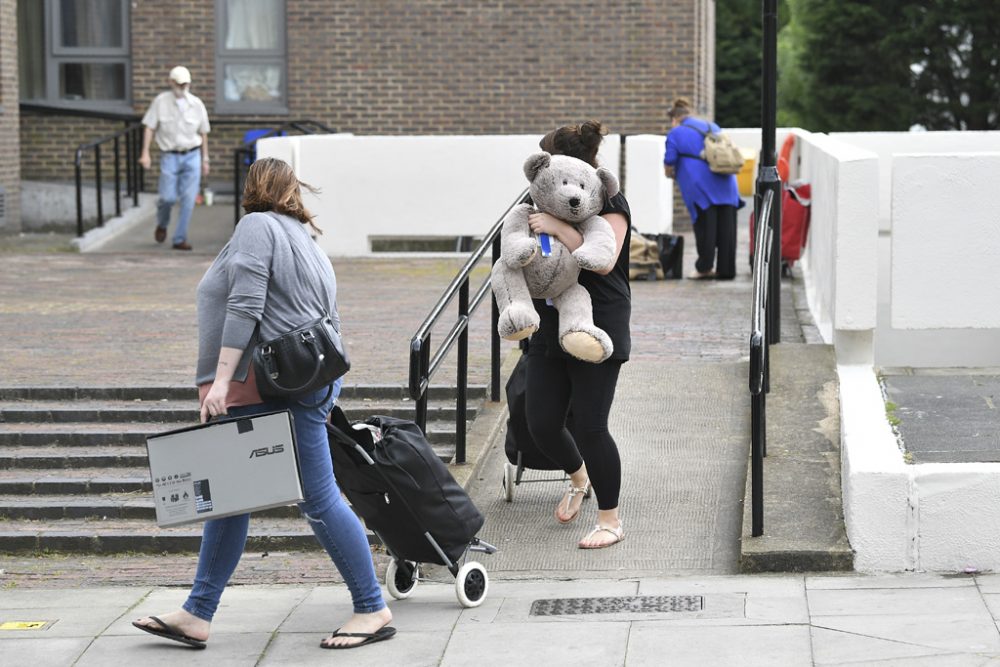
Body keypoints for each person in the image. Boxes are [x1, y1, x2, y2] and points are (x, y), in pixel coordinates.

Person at [132, 158, 395, 651]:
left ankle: (371, 607)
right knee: (232, 500)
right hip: (296, 385)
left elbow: (245, 306)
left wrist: (220, 382)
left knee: (317, 498)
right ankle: (197, 613)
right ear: (292, 191)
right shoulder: (304, 239)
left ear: (252, 188)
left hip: (264, 388)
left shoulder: (256, 227)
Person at [523, 121, 630, 549]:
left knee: (590, 426)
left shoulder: (610, 201)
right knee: (541, 422)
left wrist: (557, 227)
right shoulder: (544, 196)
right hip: (551, 319)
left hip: (599, 319)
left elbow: (604, 261)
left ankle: (610, 520)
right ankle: (578, 477)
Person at [663, 97, 743, 280]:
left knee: (705, 226)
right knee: (726, 227)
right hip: (727, 182)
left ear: (674, 118)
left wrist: (669, 173)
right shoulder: (711, 126)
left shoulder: (676, 132)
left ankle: (704, 267)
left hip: (700, 186)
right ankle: (726, 270)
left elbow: (670, 160)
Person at [139, 65, 211, 251]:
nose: (182, 87)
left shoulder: (196, 104)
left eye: (185, 83)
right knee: (167, 198)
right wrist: (145, 152)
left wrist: (205, 159)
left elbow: (203, 133)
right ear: (171, 82)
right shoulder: (160, 101)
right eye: (179, 83)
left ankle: (179, 238)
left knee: (188, 199)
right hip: (170, 156)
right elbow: (149, 127)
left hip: (192, 155)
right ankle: (162, 224)